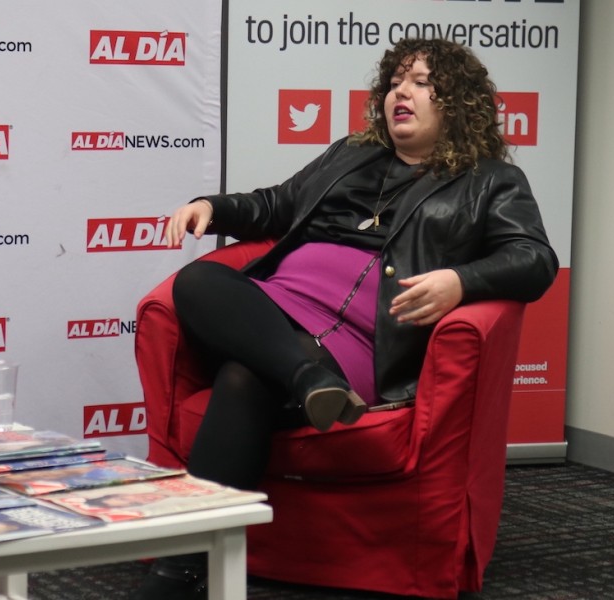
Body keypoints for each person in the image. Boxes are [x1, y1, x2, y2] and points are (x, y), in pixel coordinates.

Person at [132, 37, 559, 600]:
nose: (400, 92)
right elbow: (275, 204)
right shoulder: (351, 154)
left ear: (456, 101)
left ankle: (174, 576)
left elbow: (535, 259)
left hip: (364, 342)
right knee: (198, 281)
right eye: (395, 81)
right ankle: (308, 377)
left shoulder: (490, 182)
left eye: (422, 82)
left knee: (242, 378)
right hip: (282, 313)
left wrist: (462, 281)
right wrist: (214, 207)